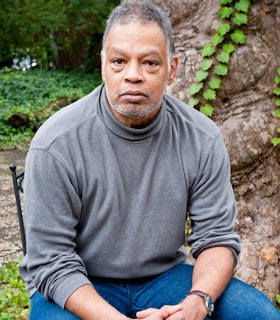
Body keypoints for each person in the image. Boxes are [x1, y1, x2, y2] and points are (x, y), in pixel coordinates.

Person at [20, 1, 280, 319]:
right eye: (119, 61)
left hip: (165, 279)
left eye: (150, 63)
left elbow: (216, 237)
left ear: (172, 69)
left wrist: (199, 301)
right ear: (103, 64)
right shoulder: (56, 144)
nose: (133, 76)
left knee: (259, 315)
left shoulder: (201, 137)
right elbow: (51, 260)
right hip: (81, 283)